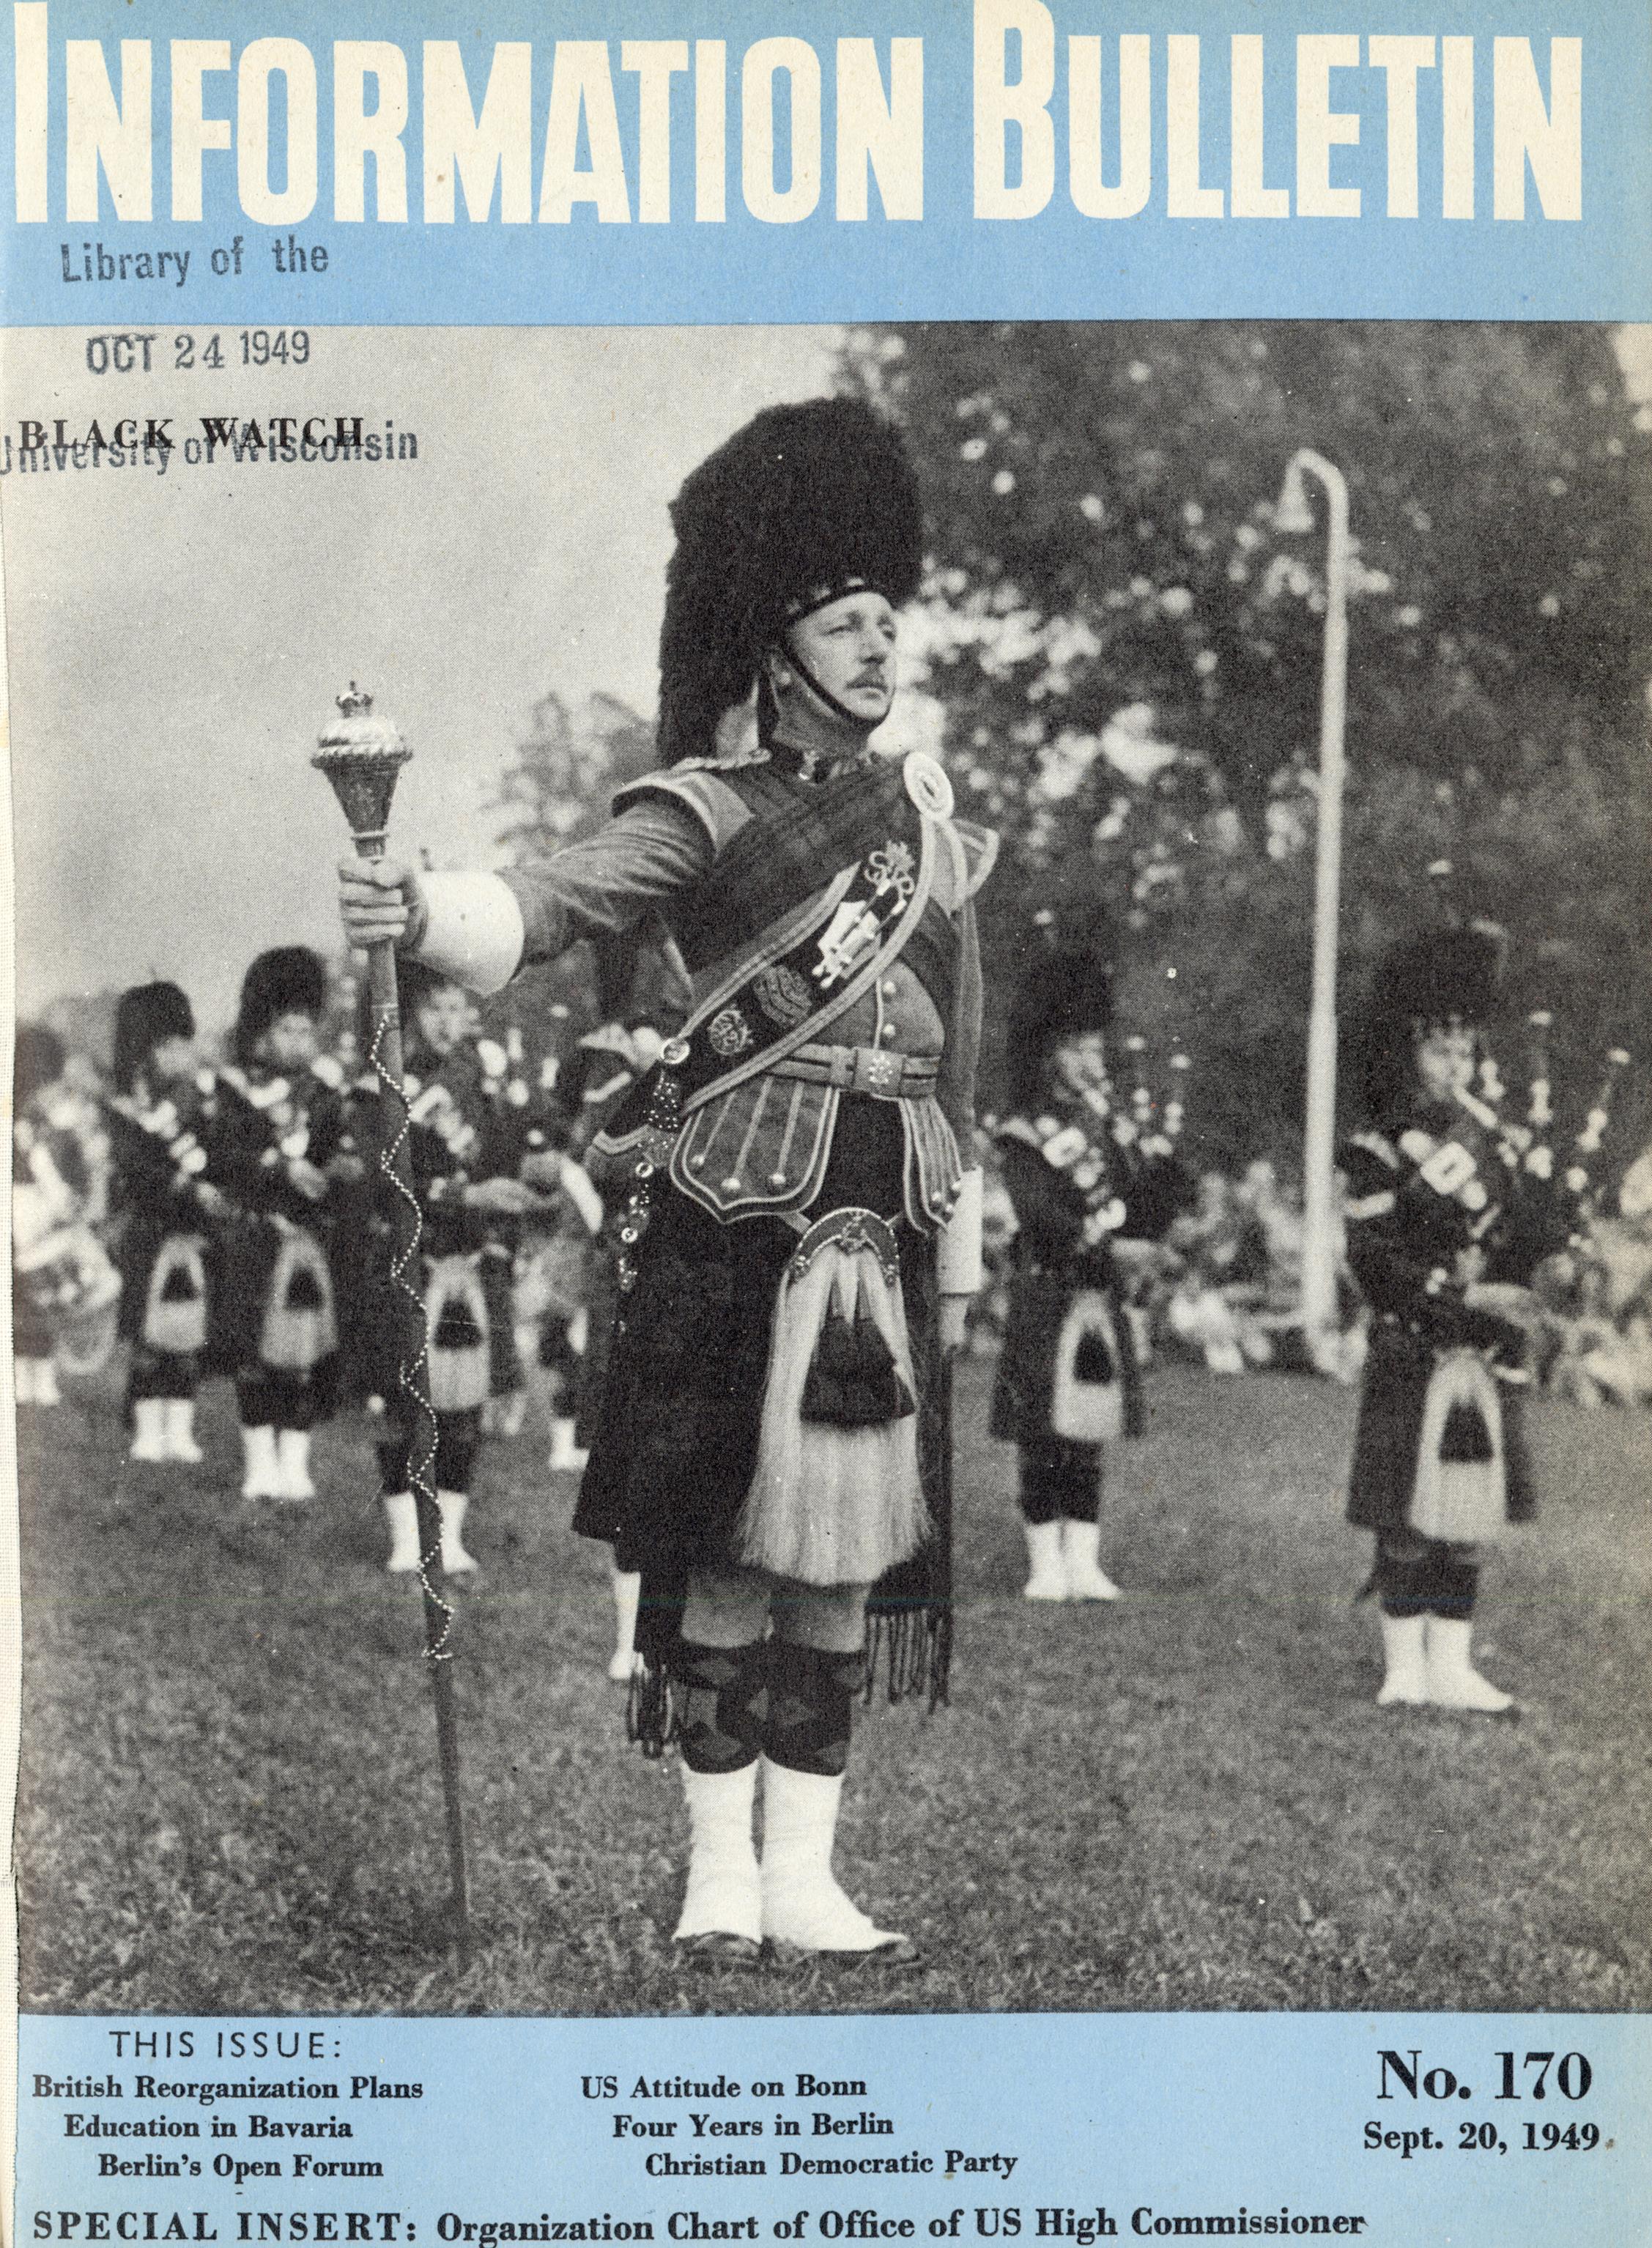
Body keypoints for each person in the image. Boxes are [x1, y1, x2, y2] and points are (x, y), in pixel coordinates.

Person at [338, 397, 993, 1967]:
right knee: (722, 1554)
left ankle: (804, 1876)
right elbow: (560, 896)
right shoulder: (703, 808)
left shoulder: (931, 833)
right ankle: (718, 1875)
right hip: (737, 1220)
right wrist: (422, 907)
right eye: (844, 623)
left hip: (882, 1211)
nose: (878, 647)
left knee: (844, 1562)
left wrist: (960, 1248)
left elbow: (957, 1061)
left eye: (886, 620)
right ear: (776, 648)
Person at [1340, 930, 1539, 1714]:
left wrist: (1528, 1272)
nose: (1454, 1066)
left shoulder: (1495, 1143)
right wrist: (1458, 1297)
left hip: (1479, 1352)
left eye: (1463, 1051)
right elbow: (1371, 1260)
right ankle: (1403, 1664)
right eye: (1437, 1051)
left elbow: (1515, 1240)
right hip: (1412, 1342)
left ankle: (1450, 1665)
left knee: (1465, 1507)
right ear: (1407, 1054)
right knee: (1403, 1510)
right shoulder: (1377, 1148)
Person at [989, 941, 1185, 1601]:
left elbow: (1140, 1202)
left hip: (1098, 1297)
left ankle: (1084, 1559)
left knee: (1090, 1428)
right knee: (1042, 1431)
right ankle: (1045, 1561)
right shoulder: (1022, 1133)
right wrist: (1109, 1249)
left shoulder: (1110, 1128)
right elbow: (1040, 1216)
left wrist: (1159, 1184)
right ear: (1046, 1053)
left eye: (1094, 1048)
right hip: (1048, 1292)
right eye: (1074, 1047)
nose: (1088, 1061)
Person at [366, 959, 550, 1576]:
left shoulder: (484, 1080)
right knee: (404, 1403)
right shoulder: (389, 1080)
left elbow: (506, 1157)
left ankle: (449, 1537)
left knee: (465, 1408)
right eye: (434, 1009)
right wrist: (468, 1195)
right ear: (410, 1013)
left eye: (456, 1008)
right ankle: (405, 1538)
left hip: (470, 1264)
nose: (447, 1022)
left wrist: (524, 1182)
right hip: (410, 1259)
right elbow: (383, 1180)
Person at [210, 947, 352, 1502]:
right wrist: (280, 1168)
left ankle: (294, 1464)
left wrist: (336, 1170)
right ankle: (259, 1464)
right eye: (286, 1030)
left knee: (303, 1355)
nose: (298, 1041)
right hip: (256, 1237)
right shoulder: (233, 1089)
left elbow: (337, 1150)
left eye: (305, 1029)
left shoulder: (326, 1091)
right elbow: (224, 1156)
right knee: (254, 1356)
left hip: (308, 1243)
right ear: (262, 1034)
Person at [105, 981, 225, 1464]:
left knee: (186, 1335)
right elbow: (135, 1168)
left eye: (184, 1043)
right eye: (169, 1046)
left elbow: (215, 1160)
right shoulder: (126, 1109)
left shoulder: (199, 1101)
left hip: (190, 1235)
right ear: (145, 1052)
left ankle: (179, 1430)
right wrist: (185, 1186)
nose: (182, 1055)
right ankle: (147, 1428)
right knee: (148, 1335)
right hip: (149, 1235)